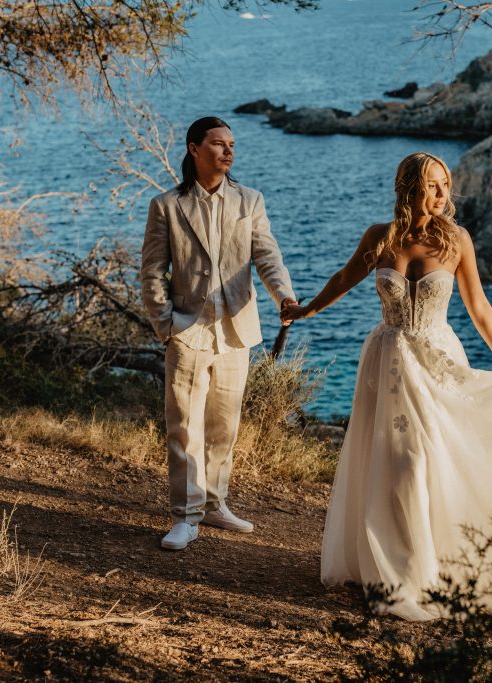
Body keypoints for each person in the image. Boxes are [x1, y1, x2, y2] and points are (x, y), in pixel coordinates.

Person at [282, 152, 492, 620]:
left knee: (424, 460)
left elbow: (478, 306)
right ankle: (397, 569)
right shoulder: (380, 237)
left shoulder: (456, 240)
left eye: (445, 184)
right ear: (409, 188)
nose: (443, 194)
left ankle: (432, 569)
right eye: (433, 184)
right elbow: (344, 277)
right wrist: (307, 310)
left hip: (437, 361)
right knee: (391, 462)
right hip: (387, 360)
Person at [141, 116, 297, 551]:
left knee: (224, 425)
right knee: (184, 427)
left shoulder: (250, 200)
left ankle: (214, 503)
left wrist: (284, 296)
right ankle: (185, 515)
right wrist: (166, 323)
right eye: (218, 143)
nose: (228, 151)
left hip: (235, 329)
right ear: (194, 149)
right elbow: (152, 271)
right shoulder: (167, 205)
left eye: (232, 144)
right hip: (188, 329)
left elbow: (267, 256)